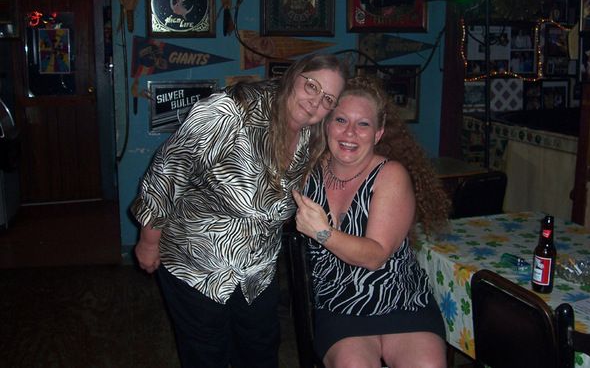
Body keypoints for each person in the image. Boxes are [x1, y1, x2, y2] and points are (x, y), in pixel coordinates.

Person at [131, 52, 347, 368]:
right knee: (207, 355)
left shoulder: (312, 136)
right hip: (197, 263)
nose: (316, 102)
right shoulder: (230, 111)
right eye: (312, 86)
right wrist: (149, 241)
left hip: (257, 270)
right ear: (293, 76)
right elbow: (167, 170)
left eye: (328, 99)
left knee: (260, 350)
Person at [293, 76, 450, 368]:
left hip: (402, 302)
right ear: (327, 124)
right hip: (339, 305)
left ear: (378, 133)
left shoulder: (391, 175)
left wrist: (323, 232)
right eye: (341, 120)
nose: (350, 132)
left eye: (363, 124)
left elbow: (375, 256)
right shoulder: (306, 174)